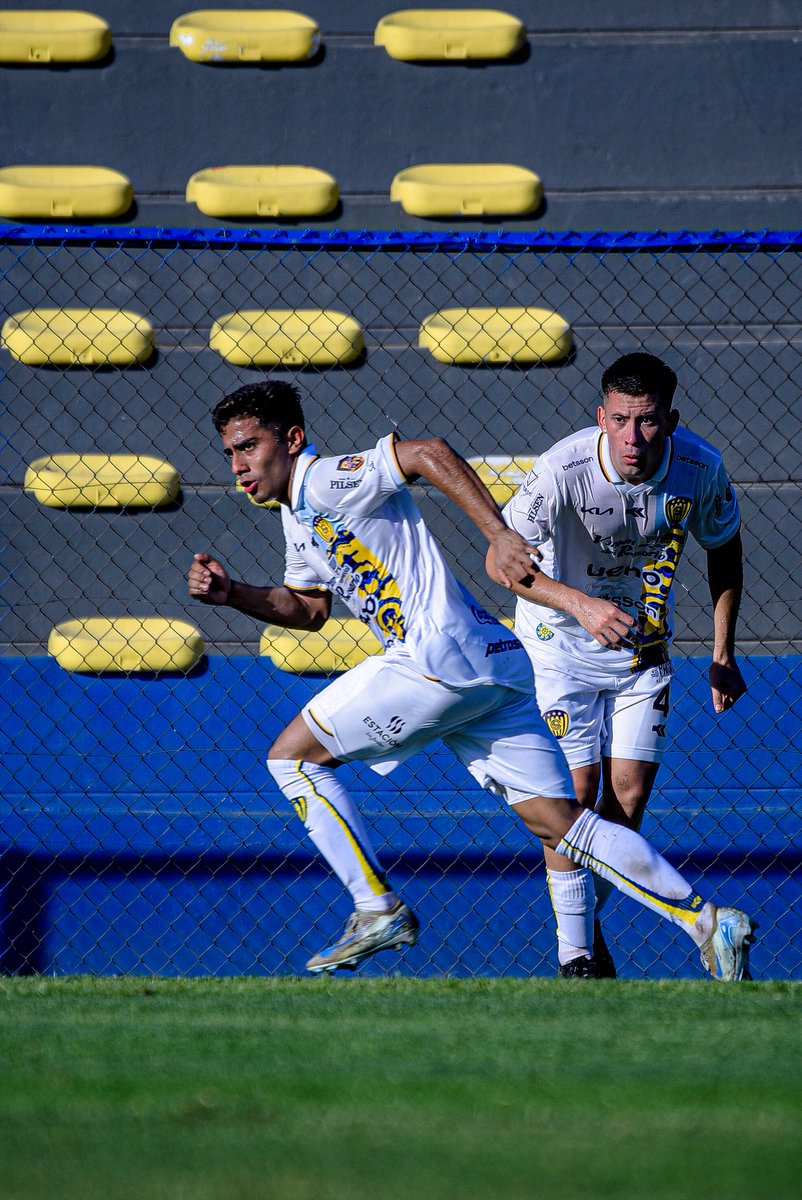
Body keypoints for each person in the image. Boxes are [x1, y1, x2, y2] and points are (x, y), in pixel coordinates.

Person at [188, 378, 755, 980]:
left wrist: (498, 534)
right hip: (491, 663)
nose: (238, 466)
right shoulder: (297, 519)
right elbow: (307, 608)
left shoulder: (327, 478)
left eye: (249, 447)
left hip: (432, 658)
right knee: (564, 826)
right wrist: (233, 595)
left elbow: (428, 451)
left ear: (293, 439)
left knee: (292, 760)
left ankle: (376, 907)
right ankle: (706, 921)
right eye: (230, 453)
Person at [489, 352, 747, 979]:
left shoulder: (700, 469)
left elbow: (724, 548)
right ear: (601, 417)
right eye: (622, 420)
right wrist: (580, 605)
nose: (633, 438)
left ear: (671, 420)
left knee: (626, 801)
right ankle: (577, 959)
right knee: (574, 798)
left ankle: (585, 929)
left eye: (649, 421)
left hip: (642, 652)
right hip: (558, 647)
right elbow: (503, 561)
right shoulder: (564, 468)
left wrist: (722, 653)